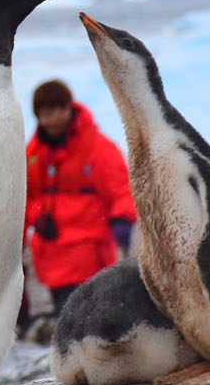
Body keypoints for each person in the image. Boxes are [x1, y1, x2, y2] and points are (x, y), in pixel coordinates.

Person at [25, 79, 135, 313]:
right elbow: (23, 198)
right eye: (41, 114)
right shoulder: (33, 153)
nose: (45, 120)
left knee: (87, 315)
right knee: (66, 317)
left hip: (89, 257)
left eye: (50, 112)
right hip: (51, 258)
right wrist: (34, 218)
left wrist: (122, 222)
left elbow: (122, 190)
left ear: (67, 108)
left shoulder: (97, 147)